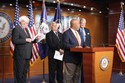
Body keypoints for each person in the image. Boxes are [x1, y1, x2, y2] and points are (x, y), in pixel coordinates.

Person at [12, 16, 39, 83]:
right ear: (21, 22)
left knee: (24, 72)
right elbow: (14, 40)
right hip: (20, 55)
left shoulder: (26, 29)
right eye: (26, 23)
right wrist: (25, 40)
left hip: (27, 54)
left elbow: (29, 40)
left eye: (27, 23)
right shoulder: (16, 29)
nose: (27, 24)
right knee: (19, 73)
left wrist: (36, 39)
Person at [62, 19, 84, 83]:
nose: (79, 25)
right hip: (70, 59)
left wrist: (85, 46)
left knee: (76, 76)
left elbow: (82, 44)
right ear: (73, 25)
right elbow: (65, 44)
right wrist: (75, 47)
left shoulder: (79, 33)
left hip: (79, 58)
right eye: (78, 23)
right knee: (69, 77)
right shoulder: (66, 33)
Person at [78, 18, 91, 83]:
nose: (83, 24)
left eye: (84, 23)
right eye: (82, 23)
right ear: (80, 23)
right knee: (78, 69)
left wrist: (89, 47)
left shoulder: (87, 30)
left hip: (87, 52)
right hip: (78, 51)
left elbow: (89, 40)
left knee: (85, 68)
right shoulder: (77, 30)